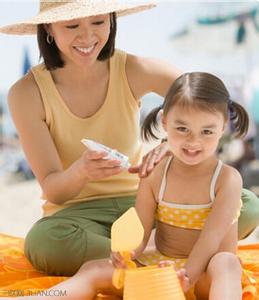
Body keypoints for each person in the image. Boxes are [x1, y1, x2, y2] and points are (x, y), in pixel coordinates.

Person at [0, 0, 258, 278]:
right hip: (78, 216)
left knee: (247, 204)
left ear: (111, 19)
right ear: (48, 27)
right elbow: (54, 189)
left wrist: (170, 147)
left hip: (146, 205)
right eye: (72, 25)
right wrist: (81, 172)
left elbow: (211, 107)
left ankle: (136, 261)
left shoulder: (134, 69)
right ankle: (154, 259)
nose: (87, 37)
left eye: (98, 22)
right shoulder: (27, 93)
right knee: (44, 242)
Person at [8, 71, 245, 300]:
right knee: (94, 269)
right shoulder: (154, 174)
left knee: (226, 262)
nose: (194, 141)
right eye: (182, 129)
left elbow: (211, 240)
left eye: (207, 131)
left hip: (204, 276)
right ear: (164, 121)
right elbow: (140, 231)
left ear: (223, 127)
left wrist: (185, 277)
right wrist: (127, 253)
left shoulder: (227, 180)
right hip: (162, 270)